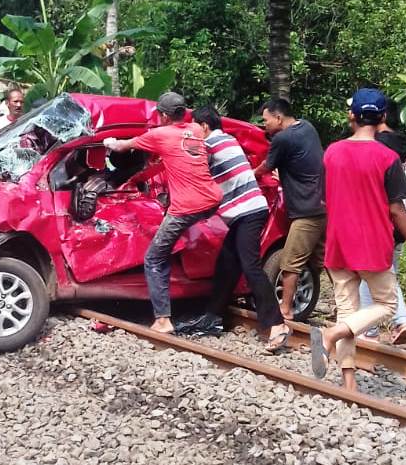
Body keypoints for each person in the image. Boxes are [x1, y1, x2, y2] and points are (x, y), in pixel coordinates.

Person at [310, 88, 406, 391]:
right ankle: (331, 335)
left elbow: (324, 199)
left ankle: (349, 384)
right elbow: (398, 210)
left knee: (348, 309)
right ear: (383, 117)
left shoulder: (331, 152)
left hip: (337, 242)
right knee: (387, 306)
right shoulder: (388, 157)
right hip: (372, 244)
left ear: (352, 115)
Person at [103, 92, 223, 333]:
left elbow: (121, 147)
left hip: (187, 206)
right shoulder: (196, 131)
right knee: (170, 241)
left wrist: (107, 142)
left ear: (165, 116)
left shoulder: (160, 134)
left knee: (154, 258)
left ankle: (163, 320)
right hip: (212, 198)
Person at [192, 105, 290, 352]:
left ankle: (277, 324)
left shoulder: (212, 143)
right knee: (226, 265)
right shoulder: (228, 139)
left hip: (247, 212)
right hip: (242, 212)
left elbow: (188, 157)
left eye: (194, 127)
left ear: (204, 126)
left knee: (250, 267)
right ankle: (213, 318)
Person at [254, 99, 325, 321]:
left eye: (266, 120)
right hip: (322, 205)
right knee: (326, 260)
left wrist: (247, 175)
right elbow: (300, 162)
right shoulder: (307, 127)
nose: (264, 125)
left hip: (306, 212)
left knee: (290, 263)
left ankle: (285, 309)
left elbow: (266, 166)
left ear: (278, 117)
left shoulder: (283, 138)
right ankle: (351, 308)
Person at [357, 99, 406, 344]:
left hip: (381, 220)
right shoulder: (405, 144)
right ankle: (370, 330)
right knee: (384, 273)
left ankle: (399, 319)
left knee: (373, 275)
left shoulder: (378, 147)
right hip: (404, 218)